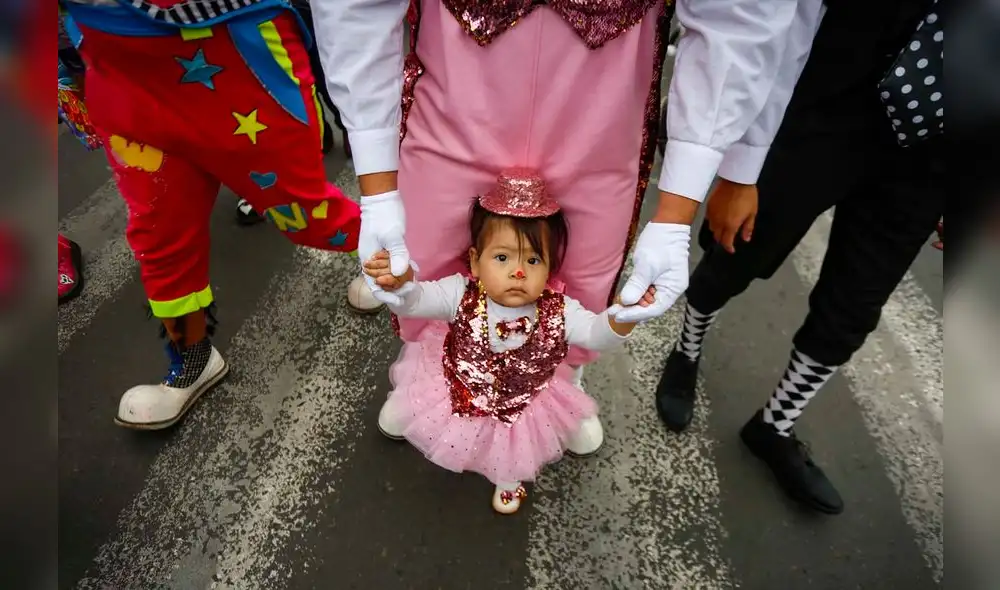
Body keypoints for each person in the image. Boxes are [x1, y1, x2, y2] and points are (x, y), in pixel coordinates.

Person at [313, 0, 823, 454]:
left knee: (582, 272)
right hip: (456, 90)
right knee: (434, 252)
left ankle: (556, 387)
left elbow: (743, 14)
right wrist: (378, 190)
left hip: (603, 112)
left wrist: (675, 214)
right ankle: (428, 382)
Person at [654, 0, 944, 514]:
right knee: (737, 249)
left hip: (938, 144)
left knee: (857, 302)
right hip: (832, 95)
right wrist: (739, 165)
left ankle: (775, 424)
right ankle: (687, 349)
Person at [61, 0, 375, 430]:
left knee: (307, 215)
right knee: (158, 234)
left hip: (232, 56)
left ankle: (393, 260)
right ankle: (192, 360)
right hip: (118, 66)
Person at [364, 169, 649, 513]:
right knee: (464, 432)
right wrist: (403, 283)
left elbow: (593, 334)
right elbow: (416, 302)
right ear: (475, 261)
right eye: (502, 258)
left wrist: (621, 317)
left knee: (513, 449)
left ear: (550, 268)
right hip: (461, 389)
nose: (518, 272)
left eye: (533, 260)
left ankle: (509, 478)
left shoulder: (559, 309)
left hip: (524, 403)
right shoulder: (459, 292)